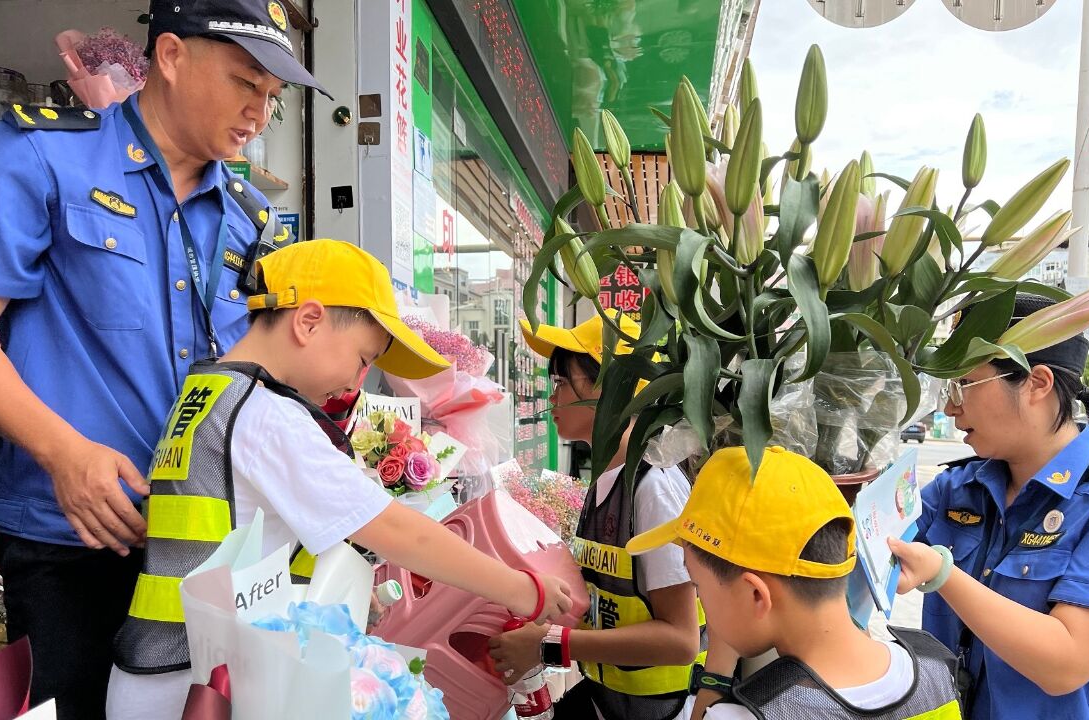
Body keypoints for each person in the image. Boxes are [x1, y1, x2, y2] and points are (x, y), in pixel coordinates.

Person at [0, 1, 330, 715]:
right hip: (73, 538)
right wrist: (63, 452)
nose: (258, 113)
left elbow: (249, 375)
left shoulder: (246, 214)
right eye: (243, 83)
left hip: (205, 548)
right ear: (171, 55)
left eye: (271, 96)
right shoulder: (40, 155)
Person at [107, 239, 575, 718]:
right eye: (362, 358)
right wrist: (523, 589)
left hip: (160, 672)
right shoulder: (267, 416)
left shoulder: (206, 392)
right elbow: (396, 531)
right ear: (308, 321)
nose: (357, 382)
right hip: (202, 688)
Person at [890, 293, 1089, 720]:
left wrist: (943, 574)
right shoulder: (957, 489)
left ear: (1038, 383)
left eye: (961, 385)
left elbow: (1065, 662)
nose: (951, 407)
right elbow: (865, 551)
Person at [625, 445, 963, 719]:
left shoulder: (743, 715)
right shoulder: (936, 668)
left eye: (698, 587)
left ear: (756, 595)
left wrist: (716, 670)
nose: (701, 605)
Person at [489, 312, 705, 720]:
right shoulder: (608, 474)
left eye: (561, 384)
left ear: (609, 386)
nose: (551, 399)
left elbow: (681, 639)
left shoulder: (652, 487)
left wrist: (552, 644)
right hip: (610, 701)